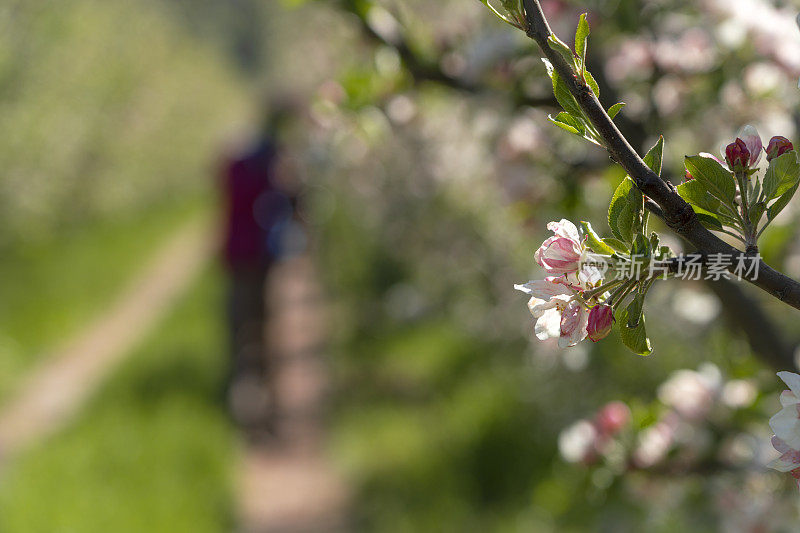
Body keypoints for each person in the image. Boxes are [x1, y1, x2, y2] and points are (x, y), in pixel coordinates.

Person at [219, 103, 297, 435]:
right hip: (260, 254)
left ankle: (244, 398)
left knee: (241, 328)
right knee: (261, 327)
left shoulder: (236, 163)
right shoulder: (271, 163)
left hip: (239, 254)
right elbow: (288, 202)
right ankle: (265, 403)